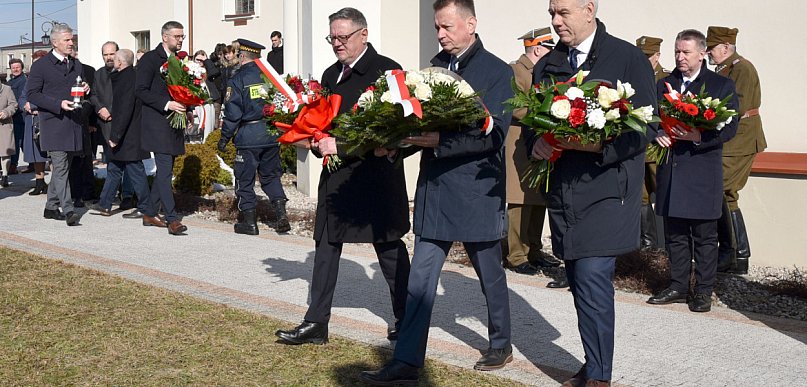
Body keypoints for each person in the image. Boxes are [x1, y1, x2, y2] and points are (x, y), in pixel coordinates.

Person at [360, 1, 514, 384]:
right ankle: (408, 360)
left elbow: (492, 135)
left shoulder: (497, 72)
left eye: (446, 26)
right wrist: (398, 144)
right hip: (436, 190)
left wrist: (438, 140)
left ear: (471, 24)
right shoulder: (433, 69)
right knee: (420, 280)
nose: (441, 34)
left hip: (478, 188)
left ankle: (501, 342)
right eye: (437, 27)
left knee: (489, 272)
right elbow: (418, 124)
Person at [525, 1, 657, 386]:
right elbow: (534, 120)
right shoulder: (547, 64)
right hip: (565, 192)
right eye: (552, 11)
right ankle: (594, 365)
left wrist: (596, 147)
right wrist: (537, 143)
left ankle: (600, 377)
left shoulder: (626, 58)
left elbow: (644, 128)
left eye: (563, 12)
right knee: (579, 279)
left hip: (608, 190)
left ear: (589, 9)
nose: (555, 20)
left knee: (593, 275)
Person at [274, 7, 411, 346]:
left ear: (363, 35)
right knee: (326, 245)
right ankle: (316, 322)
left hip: (376, 178)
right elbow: (324, 123)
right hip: (337, 178)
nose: (336, 43)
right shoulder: (330, 74)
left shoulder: (387, 71)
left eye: (342, 37)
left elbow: (395, 130)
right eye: (331, 37)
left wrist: (342, 144)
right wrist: (312, 138)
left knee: (390, 250)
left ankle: (407, 319)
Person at [647, 29, 739, 314]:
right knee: (675, 235)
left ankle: (702, 290)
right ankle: (677, 285)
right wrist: (657, 132)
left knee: (704, 236)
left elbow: (730, 127)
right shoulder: (664, 84)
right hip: (672, 169)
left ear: (702, 53)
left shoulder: (719, 85)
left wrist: (697, 137)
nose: (680, 57)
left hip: (701, 171)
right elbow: (647, 115)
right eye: (677, 51)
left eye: (686, 52)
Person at [706, 26, 764, 275]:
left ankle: (732, 254)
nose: (708, 53)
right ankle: (737, 257)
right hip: (731, 140)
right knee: (726, 195)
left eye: (711, 48)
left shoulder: (742, 68)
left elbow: (735, 105)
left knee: (722, 190)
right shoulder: (725, 68)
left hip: (740, 140)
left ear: (726, 48)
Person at [504, 27, 561, 277]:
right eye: (548, 49)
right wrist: (545, 115)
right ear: (537, 48)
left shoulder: (543, 71)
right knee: (519, 201)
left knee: (538, 198)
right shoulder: (516, 70)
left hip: (540, 139)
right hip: (519, 141)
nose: (552, 53)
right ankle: (516, 255)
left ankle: (534, 250)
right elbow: (515, 107)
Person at [217, 39, 289, 235]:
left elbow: (233, 114)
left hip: (248, 137)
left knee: (244, 179)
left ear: (241, 56)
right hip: (271, 134)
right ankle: (281, 214)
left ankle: (249, 222)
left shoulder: (238, 79)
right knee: (271, 176)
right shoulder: (270, 77)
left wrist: (224, 139)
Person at [88, 49, 167, 229]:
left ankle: (145, 207)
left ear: (120, 63)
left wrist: (116, 136)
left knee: (135, 168)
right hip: (127, 131)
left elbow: (124, 109)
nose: (112, 60)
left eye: (115, 58)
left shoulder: (127, 78)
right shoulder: (128, 76)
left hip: (129, 133)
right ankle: (105, 203)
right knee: (115, 167)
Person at [26, 23, 88, 226]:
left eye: (72, 40)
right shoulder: (41, 66)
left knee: (64, 169)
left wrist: (86, 88)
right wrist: (58, 104)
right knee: (60, 167)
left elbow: (79, 87)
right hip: (53, 124)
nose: (71, 43)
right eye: (67, 40)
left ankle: (51, 207)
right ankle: (68, 210)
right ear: (55, 42)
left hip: (73, 124)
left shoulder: (76, 64)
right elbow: (32, 94)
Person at [136, 20, 189, 235]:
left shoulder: (179, 59)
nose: (180, 39)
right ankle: (172, 219)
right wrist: (166, 104)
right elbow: (140, 90)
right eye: (177, 36)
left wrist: (189, 109)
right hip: (157, 123)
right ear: (165, 37)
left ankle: (149, 212)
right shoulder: (150, 59)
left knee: (166, 172)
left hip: (175, 123)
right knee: (165, 171)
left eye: (182, 36)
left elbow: (184, 90)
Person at [90, 41, 135, 210]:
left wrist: (112, 111)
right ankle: (111, 196)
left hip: (124, 123)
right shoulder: (99, 74)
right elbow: (94, 94)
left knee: (129, 162)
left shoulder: (127, 73)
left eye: (111, 54)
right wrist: (100, 108)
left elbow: (127, 99)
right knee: (112, 161)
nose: (109, 57)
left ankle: (128, 196)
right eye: (105, 54)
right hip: (105, 124)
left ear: (118, 54)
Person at [636, 35, 670, 252]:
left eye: (648, 56)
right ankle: (648, 245)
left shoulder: (666, 78)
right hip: (639, 146)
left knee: (666, 193)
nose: (644, 60)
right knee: (641, 197)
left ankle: (671, 243)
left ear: (657, 55)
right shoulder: (633, 76)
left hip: (659, 146)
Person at [67, 50, 97, 208]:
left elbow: (93, 97)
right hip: (67, 119)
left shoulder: (89, 70)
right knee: (72, 161)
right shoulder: (63, 72)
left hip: (85, 121)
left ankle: (88, 193)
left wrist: (91, 122)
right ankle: (74, 193)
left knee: (86, 159)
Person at [20, 51, 50, 195]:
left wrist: (34, 107)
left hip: (45, 120)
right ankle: (40, 182)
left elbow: (49, 99)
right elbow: (22, 98)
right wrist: (24, 105)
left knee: (50, 154)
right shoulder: (30, 81)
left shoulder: (50, 79)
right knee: (35, 153)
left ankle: (55, 185)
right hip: (30, 121)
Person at [6, 59, 27, 175]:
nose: (15, 69)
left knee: (17, 141)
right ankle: (32, 164)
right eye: (13, 67)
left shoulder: (23, 81)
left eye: (17, 67)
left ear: (22, 67)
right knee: (20, 141)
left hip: (19, 116)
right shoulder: (11, 81)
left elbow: (19, 100)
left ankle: (13, 166)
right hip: (13, 115)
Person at [0, 81, 18, 187]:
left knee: (5, 152)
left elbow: (14, 104)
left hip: (4, 125)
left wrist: (6, 112)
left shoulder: (7, 89)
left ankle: (5, 175)